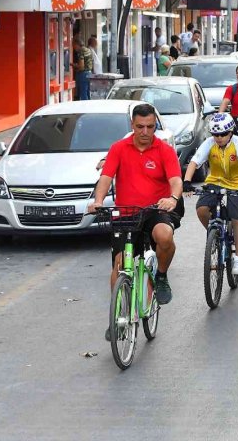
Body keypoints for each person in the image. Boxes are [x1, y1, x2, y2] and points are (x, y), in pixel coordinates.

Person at [88, 104, 183, 340]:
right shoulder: (119, 148)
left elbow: (176, 181)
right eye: (140, 126)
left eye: (150, 127)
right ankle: (118, 316)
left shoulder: (164, 150)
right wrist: (98, 201)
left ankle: (160, 276)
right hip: (127, 211)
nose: (145, 131)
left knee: (164, 236)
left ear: (155, 126)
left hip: (155, 209)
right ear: (132, 125)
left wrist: (172, 198)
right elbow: (105, 178)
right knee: (119, 264)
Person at [183, 113, 238, 275]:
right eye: (216, 134)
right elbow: (195, 161)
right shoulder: (209, 143)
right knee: (201, 209)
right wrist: (187, 181)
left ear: (231, 132)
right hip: (214, 182)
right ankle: (213, 235)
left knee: (236, 218)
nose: (219, 138)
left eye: (223, 134)